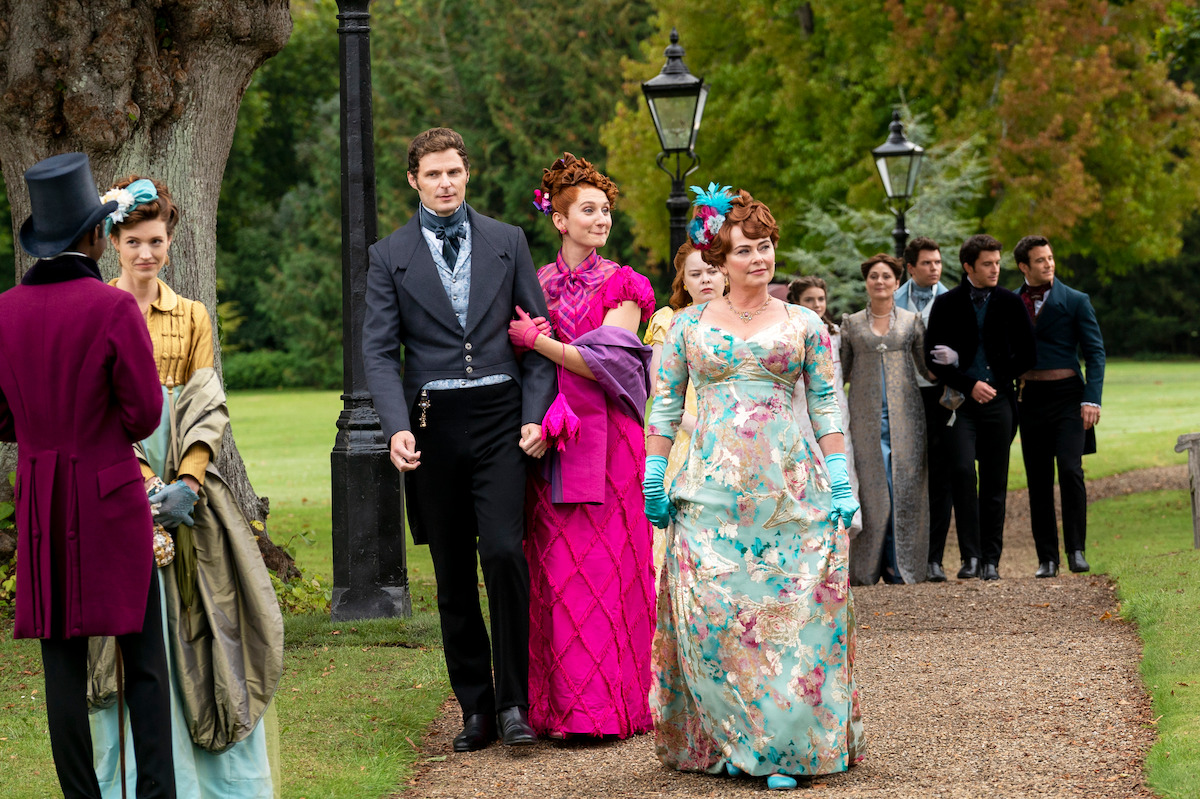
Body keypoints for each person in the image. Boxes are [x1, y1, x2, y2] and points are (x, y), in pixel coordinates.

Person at [644, 185, 864, 791]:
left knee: (791, 620)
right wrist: (655, 472)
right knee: (712, 620)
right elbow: (663, 409)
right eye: (745, 250)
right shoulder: (686, 328)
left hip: (789, 493)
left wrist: (842, 478)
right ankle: (728, 737)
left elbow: (825, 405)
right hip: (709, 494)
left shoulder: (805, 324)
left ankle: (780, 747)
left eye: (766, 247)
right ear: (718, 260)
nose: (760, 259)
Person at [85, 176, 284, 797]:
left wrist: (189, 481)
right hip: (122, 479)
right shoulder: (99, 312)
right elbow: (99, 410)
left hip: (189, 489)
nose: (147, 254)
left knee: (209, 622)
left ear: (170, 243)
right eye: (135, 242)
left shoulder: (192, 315)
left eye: (157, 242)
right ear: (114, 242)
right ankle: (137, 776)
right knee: (136, 631)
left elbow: (205, 403)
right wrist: (143, 484)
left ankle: (214, 782)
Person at [363, 127, 556, 752]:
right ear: (414, 181)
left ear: (466, 173)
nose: (446, 183)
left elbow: (536, 334)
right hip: (432, 423)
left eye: (455, 172)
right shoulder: (388, 254)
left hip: (502, 419)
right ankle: (474, 708)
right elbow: (377, 350)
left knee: (503, 552)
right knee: (450, 570)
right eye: (433, 174)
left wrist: (535, 413)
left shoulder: (508, 240)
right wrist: (395, 428)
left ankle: (514, 705)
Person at [0, 153, 175, 798]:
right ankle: (156, 793)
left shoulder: (3, 312)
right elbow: (142, 413)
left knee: (61, 666)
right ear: (97, 236)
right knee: (144, 662)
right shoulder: (112, 309)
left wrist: (42, 430)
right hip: (110, 494)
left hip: (43, 501)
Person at [508, 152, 656, 738]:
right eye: (588, 210)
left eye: (605, 211)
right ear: (560, 220)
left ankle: (611, 707)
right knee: (556, 570)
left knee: (610, 567)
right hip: (550, 441)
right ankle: (562, 709)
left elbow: (607, 362)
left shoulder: (625, 283)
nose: (601, 220)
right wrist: (534, 416)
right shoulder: (534, 283)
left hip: (612, 442)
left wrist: (536, 343)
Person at [924, 234, 1036, 581]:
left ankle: (991, 560)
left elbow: (1028, 355)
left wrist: (996, 381)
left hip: (999, 403)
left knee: (994, 481)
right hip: (959, 404)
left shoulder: (1010, 302)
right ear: (969, 266)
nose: (995, 269)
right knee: (961, 472)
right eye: (987, 264)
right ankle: (970, 557)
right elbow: (933, 357)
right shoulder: (946, 304)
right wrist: (968, 383)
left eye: (997, 263)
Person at [1013, 235, 1106, 577]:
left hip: (1069, 397)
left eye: (1050, 258)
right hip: (1030, 399)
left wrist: (1091, 398)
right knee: (1038, 479)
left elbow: (1095, 353)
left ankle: (1076, 551)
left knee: (1070, 470)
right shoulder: (1011, 302)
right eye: (1040, 260)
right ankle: (1047, 559)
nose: (1048, 264)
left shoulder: (1077, 300)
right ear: (1024, 266)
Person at [840, 254, 934, 585]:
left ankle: (900, 565)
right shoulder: (850, 323)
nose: (880, 282)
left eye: (887, 277)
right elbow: (841, 373)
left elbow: (927, 369)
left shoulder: (912, 321)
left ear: (897, 282)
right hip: (864, 420)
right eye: (873, 276)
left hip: (907, 417)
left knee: (903, 486)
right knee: (870, 490)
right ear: (867, 282)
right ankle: (866, 567)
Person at [643, 242, 721, 570]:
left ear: (726, 274)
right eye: (696, 273)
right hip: (683, 435)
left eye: (712, 270)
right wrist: (695, 424)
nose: (705, 279)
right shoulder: (669, 319)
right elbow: (658, 389)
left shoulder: (744, 324)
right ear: (683, 281)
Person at [893, 237, 955, 581]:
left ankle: (935, 558)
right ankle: (903, 557)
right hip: (902, 395)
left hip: (941, 397)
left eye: (938, 262)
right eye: (927, 263)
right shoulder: (892, 300)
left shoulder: (951, 300)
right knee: (905, 475)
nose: (934, 268)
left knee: (941, 477)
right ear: (911, 268)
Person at [787, 275, 862, 537]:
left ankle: (842, 533)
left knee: (840, 465)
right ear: (796, 301)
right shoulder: (789, 333)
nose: (817, 304)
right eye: (809, 299)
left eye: (821, 299)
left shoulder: (836, 334)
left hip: (836, 410)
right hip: (801, 410)